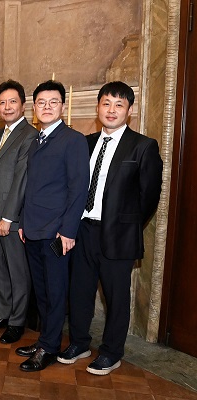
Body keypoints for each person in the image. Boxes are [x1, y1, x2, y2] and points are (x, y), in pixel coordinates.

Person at [57, 81, 163, 375]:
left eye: (119, 105)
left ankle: (111, 352)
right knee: (79, 291)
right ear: (98, 107)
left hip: (117, 235)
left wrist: (124, 225)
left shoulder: (143, 146)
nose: (111, 110)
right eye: (106, 103)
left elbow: (149, 197)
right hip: (82, 231)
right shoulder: (85, 143)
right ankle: (79, 343)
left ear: (129, 111)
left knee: (116, 298)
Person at [16, 80, 90, 372]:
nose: (47, 107)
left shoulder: (73, 140)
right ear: (34, 108)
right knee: (42, 292)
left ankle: (48, 347)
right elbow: (31, 187)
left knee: (56, 292)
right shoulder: (37, 140)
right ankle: (46, 339)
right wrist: (23, 221)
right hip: (32, 229)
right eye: (41, 102)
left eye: (53, 102)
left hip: (56, 232)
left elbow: (78, 189)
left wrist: (68, 231)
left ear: (63, 106)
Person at [0, 80, 36, 344]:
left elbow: (22, 179)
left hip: (11, 218)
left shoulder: (29, 135)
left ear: (23, 105)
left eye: (12, 101)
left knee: (17, 272)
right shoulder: (0, 133)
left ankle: (17, 322)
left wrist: (8, 218)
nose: (7, 106)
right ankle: (1, 314)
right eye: (2, 102)